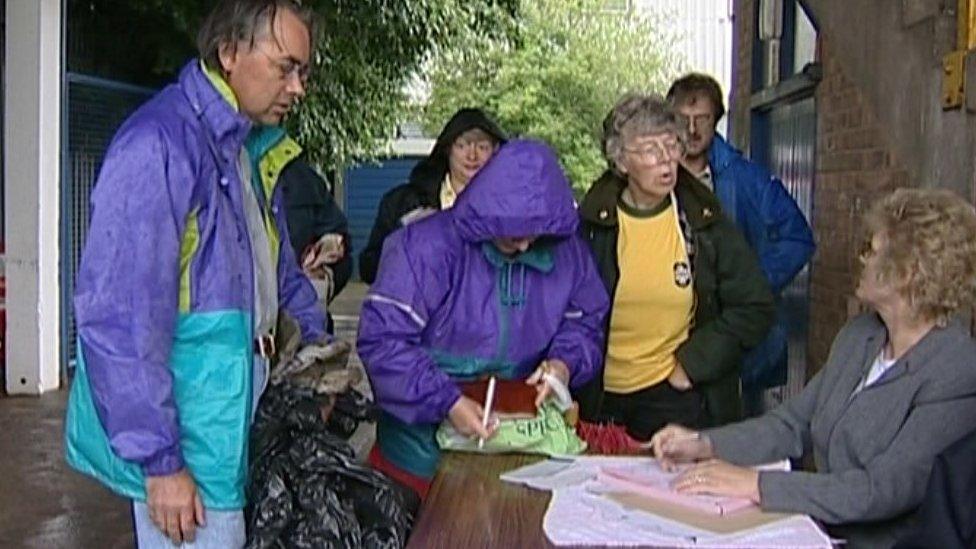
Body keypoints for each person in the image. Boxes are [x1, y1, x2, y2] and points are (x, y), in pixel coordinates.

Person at [64, 2, 326, 547]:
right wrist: (161, 464)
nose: (298, 87)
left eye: (304, 71)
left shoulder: (244, 149)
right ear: (229, 52)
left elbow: (272, 269)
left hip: (227, 420)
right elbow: (118, 319)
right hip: (189, 440)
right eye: (286, 67)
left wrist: (317, 348)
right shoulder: (158, 144)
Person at [652, 188, 976, 548]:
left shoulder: (956, 369)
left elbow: (880, 491)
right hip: (819, 529)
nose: (862, 259)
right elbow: (793, 424)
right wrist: (704, 444)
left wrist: (755, 484)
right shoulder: (860, 336)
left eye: (872, 250)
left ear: (908, 272)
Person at [357, 139, 609, 499]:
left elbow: (586, 322)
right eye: (512, 235)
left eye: (533, 235)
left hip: (520, 451)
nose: (524, 246)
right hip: (416, 456)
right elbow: (383, 342)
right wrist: (447, 401)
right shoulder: (424, 246)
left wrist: (563, 364)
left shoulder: (567, 251)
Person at [575, 93, 774, 440]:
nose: (666, 160)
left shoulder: (704, 223)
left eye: (672, 146)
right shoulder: (590, 227)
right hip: (598, 399)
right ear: (621, 161)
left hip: (673, 399)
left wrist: (694, 364)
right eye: (651, 149)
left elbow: (754, 306)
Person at [667, 73, 815, 416]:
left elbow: (798, 238)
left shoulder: (746, 178)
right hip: (670, 329)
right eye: (682, 120)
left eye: (701, 119)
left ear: (716, 119)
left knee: (734, 434)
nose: (691, 130)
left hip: (730, 336)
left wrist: (751, 284)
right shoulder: (657, 174)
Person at [358, 108, 506, 283]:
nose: (472, 155)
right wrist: (407, 241)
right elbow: (369, 269)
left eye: (482, 147)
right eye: (462, 145)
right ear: (447, 149)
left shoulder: (509, 207)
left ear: (496, 152)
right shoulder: (403, 202)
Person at [279, 157, 352, 330]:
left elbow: (341, 249)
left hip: (301, 331)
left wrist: (323, 278)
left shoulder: (301, 177)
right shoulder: (212, 169)